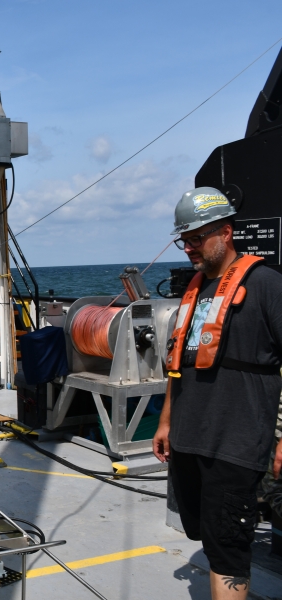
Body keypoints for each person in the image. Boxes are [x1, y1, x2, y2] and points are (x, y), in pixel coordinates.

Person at [153, 187, 282, 600]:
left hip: (236, 440)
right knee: (208, 535)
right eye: (183, 240)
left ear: (225, 232)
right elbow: (179, 365)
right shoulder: (194, 291)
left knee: (228, 546)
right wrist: (166, 422)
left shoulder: (266, 285)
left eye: (195, 239)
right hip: (190, 438)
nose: (188, 248)